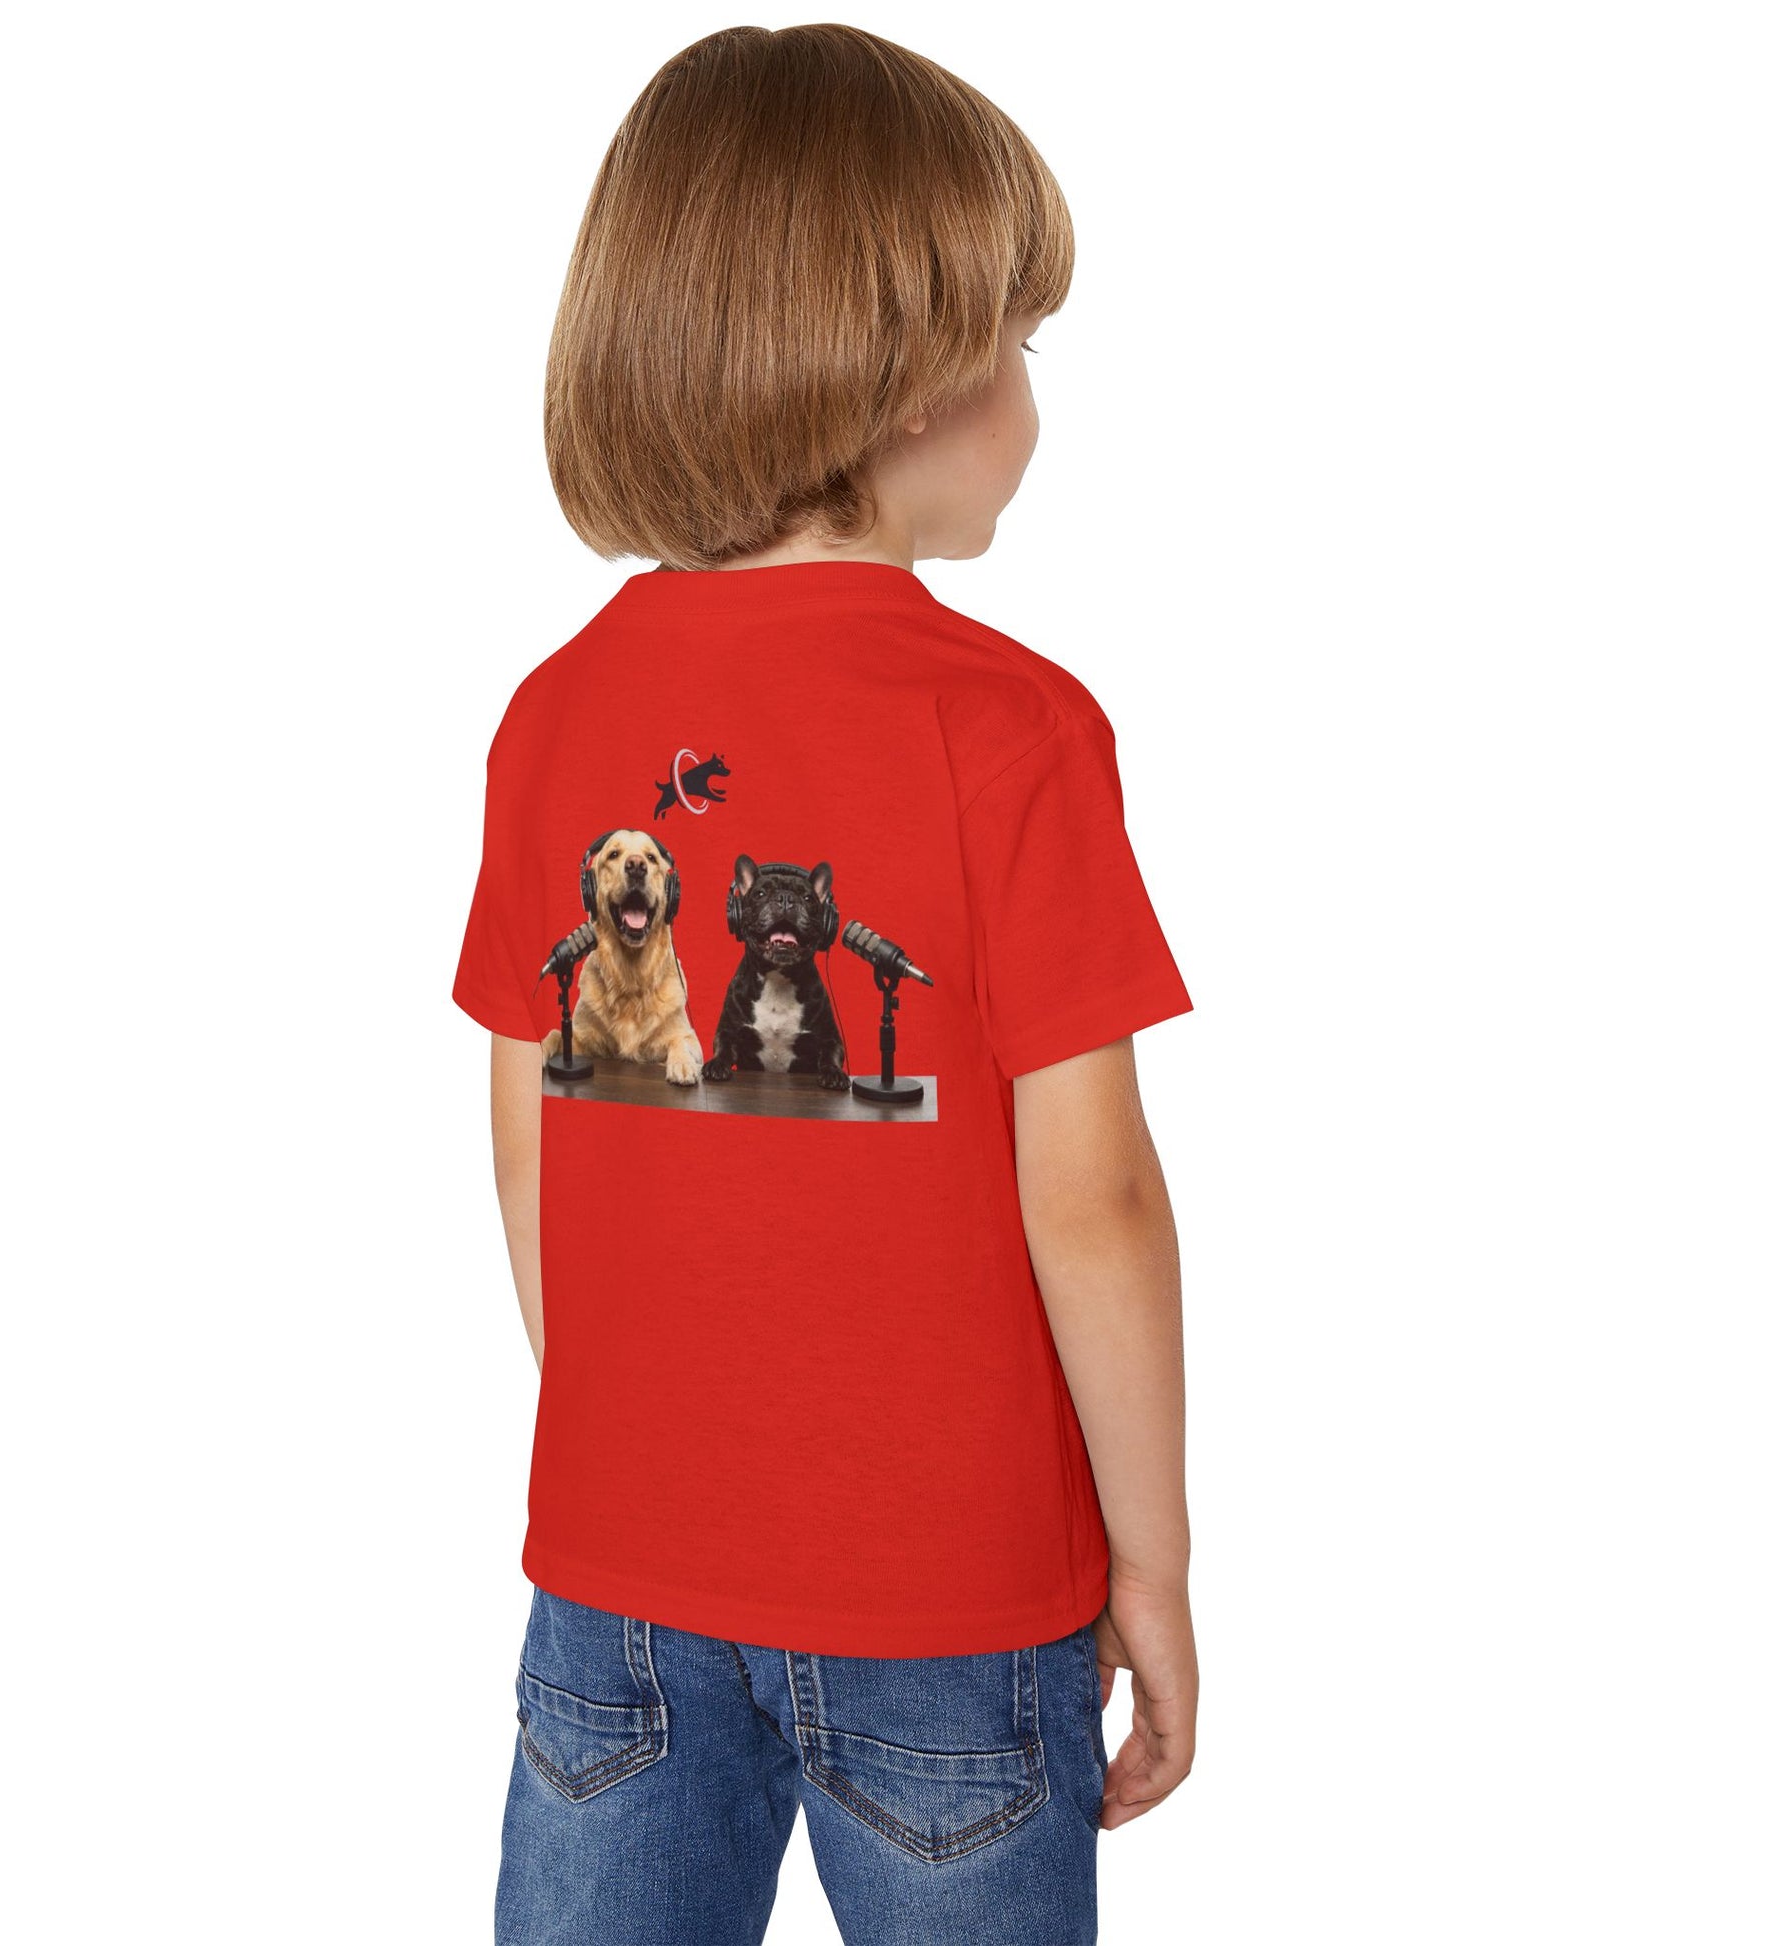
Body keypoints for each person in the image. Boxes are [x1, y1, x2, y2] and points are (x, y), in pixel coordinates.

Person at [453, 26, 1196, 1945]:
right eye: (1018, 344)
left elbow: (533, 1139)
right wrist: (1154, 1562)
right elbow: (1095, 1196)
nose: (1030, 395)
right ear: (911, 379)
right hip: (951, 1600)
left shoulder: (554, 717)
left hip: (615, 1580)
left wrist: (660, 1454)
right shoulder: (1012, 729)